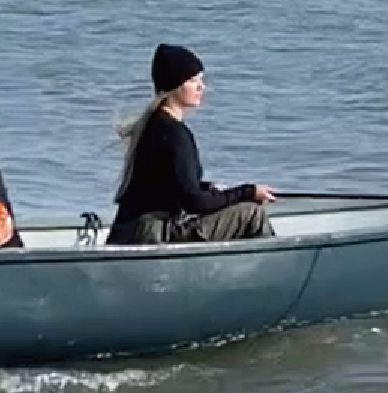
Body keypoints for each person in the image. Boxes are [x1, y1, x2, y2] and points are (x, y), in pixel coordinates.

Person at [105, 43, 277, 245]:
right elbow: (194, 202)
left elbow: (170, 187)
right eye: (193, 80)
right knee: (251, 214)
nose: (201, 87)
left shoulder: (153, 125)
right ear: (175, 86)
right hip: (154, 233)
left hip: (135, 230)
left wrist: (208, 189)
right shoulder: (175, 135)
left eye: (201, 80)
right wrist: (247, 192)